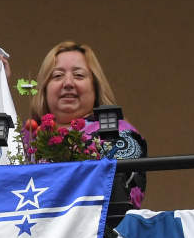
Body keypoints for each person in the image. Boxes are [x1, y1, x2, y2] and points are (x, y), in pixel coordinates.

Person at [27, 40, 147, 203]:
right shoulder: (25, 137)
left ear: (95, 87)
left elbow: (121, 190)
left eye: (79, 75)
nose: (68, 83)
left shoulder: (118, 131)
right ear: (44, 89)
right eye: (57, 76)